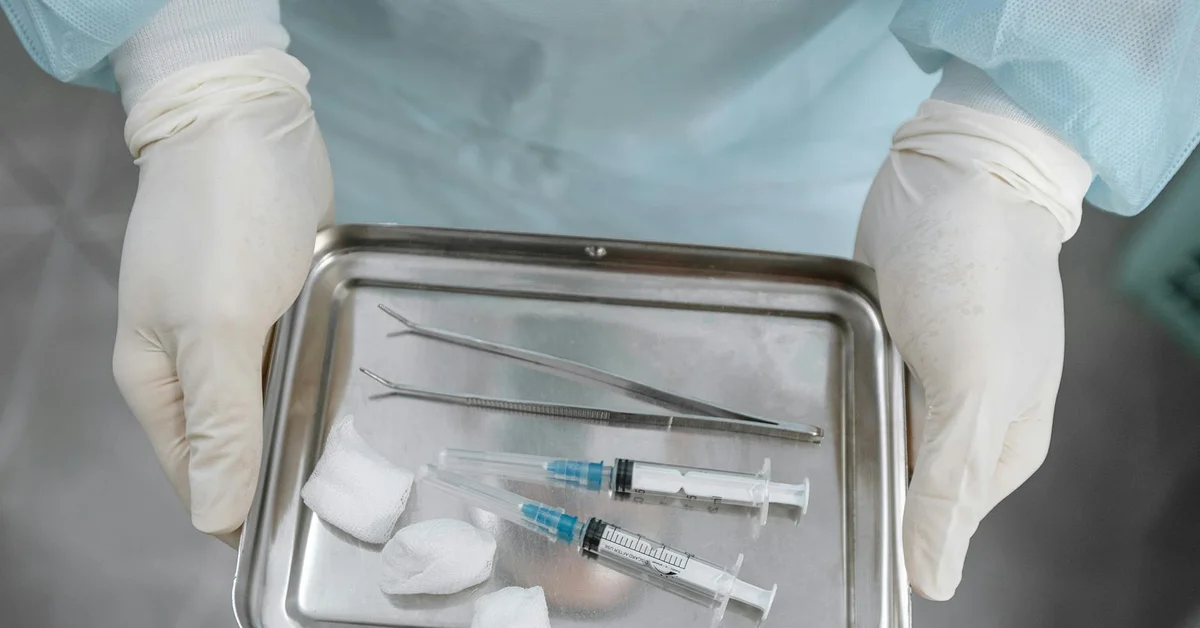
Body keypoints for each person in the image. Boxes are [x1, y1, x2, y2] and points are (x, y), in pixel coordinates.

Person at [4, 0, 1198, 602]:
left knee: (724, 329)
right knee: (413, 252)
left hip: (804, 104)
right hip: (364, 62)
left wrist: (1010, 142)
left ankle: (600, 501)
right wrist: (195, 59)